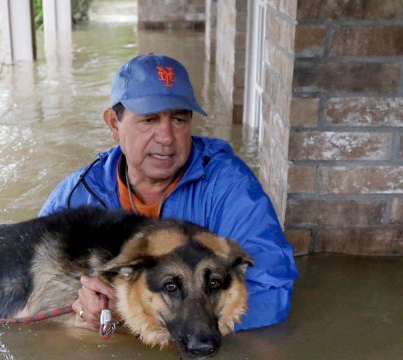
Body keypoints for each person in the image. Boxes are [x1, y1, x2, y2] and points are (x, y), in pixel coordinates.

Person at [39, 53, 298, 331]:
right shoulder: (79, 194)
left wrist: (142, 319)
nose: (166, 137)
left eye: (178, 119)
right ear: (114, 123)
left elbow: (273, 290)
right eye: (149, 120)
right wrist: (78, 311)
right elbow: (29, 284)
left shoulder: (228, 186)